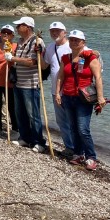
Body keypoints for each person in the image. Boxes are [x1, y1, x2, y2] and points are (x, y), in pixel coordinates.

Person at [55, 30, 105, 171]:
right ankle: (78, 154)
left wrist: (100, 97)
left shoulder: (90, 58)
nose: (74, 42)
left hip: (84, 98)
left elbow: (98, 78)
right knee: (73, 128)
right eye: (71, 40)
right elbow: (60, 77)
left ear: (84, 42)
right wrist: (58, 93)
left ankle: (91, 157)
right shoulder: (66, 58)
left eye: (77, 40)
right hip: (68, 97)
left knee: (83, 129)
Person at [7, 16, 47, 152]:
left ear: (28, 27)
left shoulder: (37, 41)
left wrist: (13, 58)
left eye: (20, 26)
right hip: (19, 82)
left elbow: (32, 62)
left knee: (33, 114)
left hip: (31, 84)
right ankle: (24, 137)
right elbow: (19, 60)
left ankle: (39, 141)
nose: (17, 28)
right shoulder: (19, 41)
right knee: (20, 112)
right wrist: (11, 59)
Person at [44, 21, 74, 155]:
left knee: (74, 121)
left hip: (70, 91)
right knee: (61, 121)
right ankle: (69, 147)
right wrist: (38, 52)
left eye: (58, 31)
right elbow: (44, 66)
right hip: (55, 92)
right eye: (52, 31)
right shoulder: (50, 47)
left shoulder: (72, 46)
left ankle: (78, 149)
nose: (55, 33)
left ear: (64, 32)